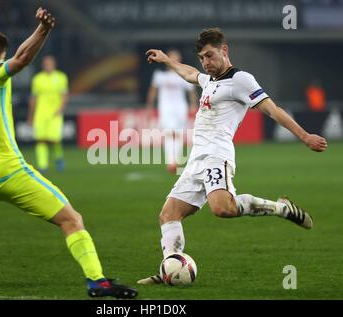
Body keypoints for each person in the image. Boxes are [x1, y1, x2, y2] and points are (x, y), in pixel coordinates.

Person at [0, 7, 137, 299]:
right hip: (9, 172)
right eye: (2, 56)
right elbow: (21, 59)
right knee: (71, 220)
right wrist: (43, 29)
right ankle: (97, 282)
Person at [138, 28, 327, 285]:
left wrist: (304, 136)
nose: (206, 63)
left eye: (210, 56)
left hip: (217, 154)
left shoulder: (241, 80)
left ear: (224, 50)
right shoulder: (208, 80)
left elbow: (273, 110)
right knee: (168, 214)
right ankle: (171, 267)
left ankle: (281, 208)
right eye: (202, 58)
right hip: (196, 160)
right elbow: (190, 74)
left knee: (222, 209)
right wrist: (167, 60)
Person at [146, 49, 197, 174]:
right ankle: (171, 161)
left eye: (176, 58)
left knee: (179, 134)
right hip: (165, 108)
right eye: (172, 57)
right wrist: (149, 106)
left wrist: (193, 105)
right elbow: (153, 91)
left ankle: (176, 160)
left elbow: (191, 92)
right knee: (169, 133)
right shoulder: (160, 75)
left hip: (180, 107)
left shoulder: (184, 75)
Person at [27, 55, 68, 173]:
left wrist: (60, 109)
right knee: (40, 139)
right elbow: (34, 98)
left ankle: (59, 157)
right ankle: (42, 165)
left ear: (54, 64)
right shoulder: (37, 79)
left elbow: (64, 96)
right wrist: (31, 116)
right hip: (40, 113)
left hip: (55, 113)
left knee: (54, 139)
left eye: (50, 63)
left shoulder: (61, 77)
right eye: (46, 64)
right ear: (43, 65)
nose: (48, 66)